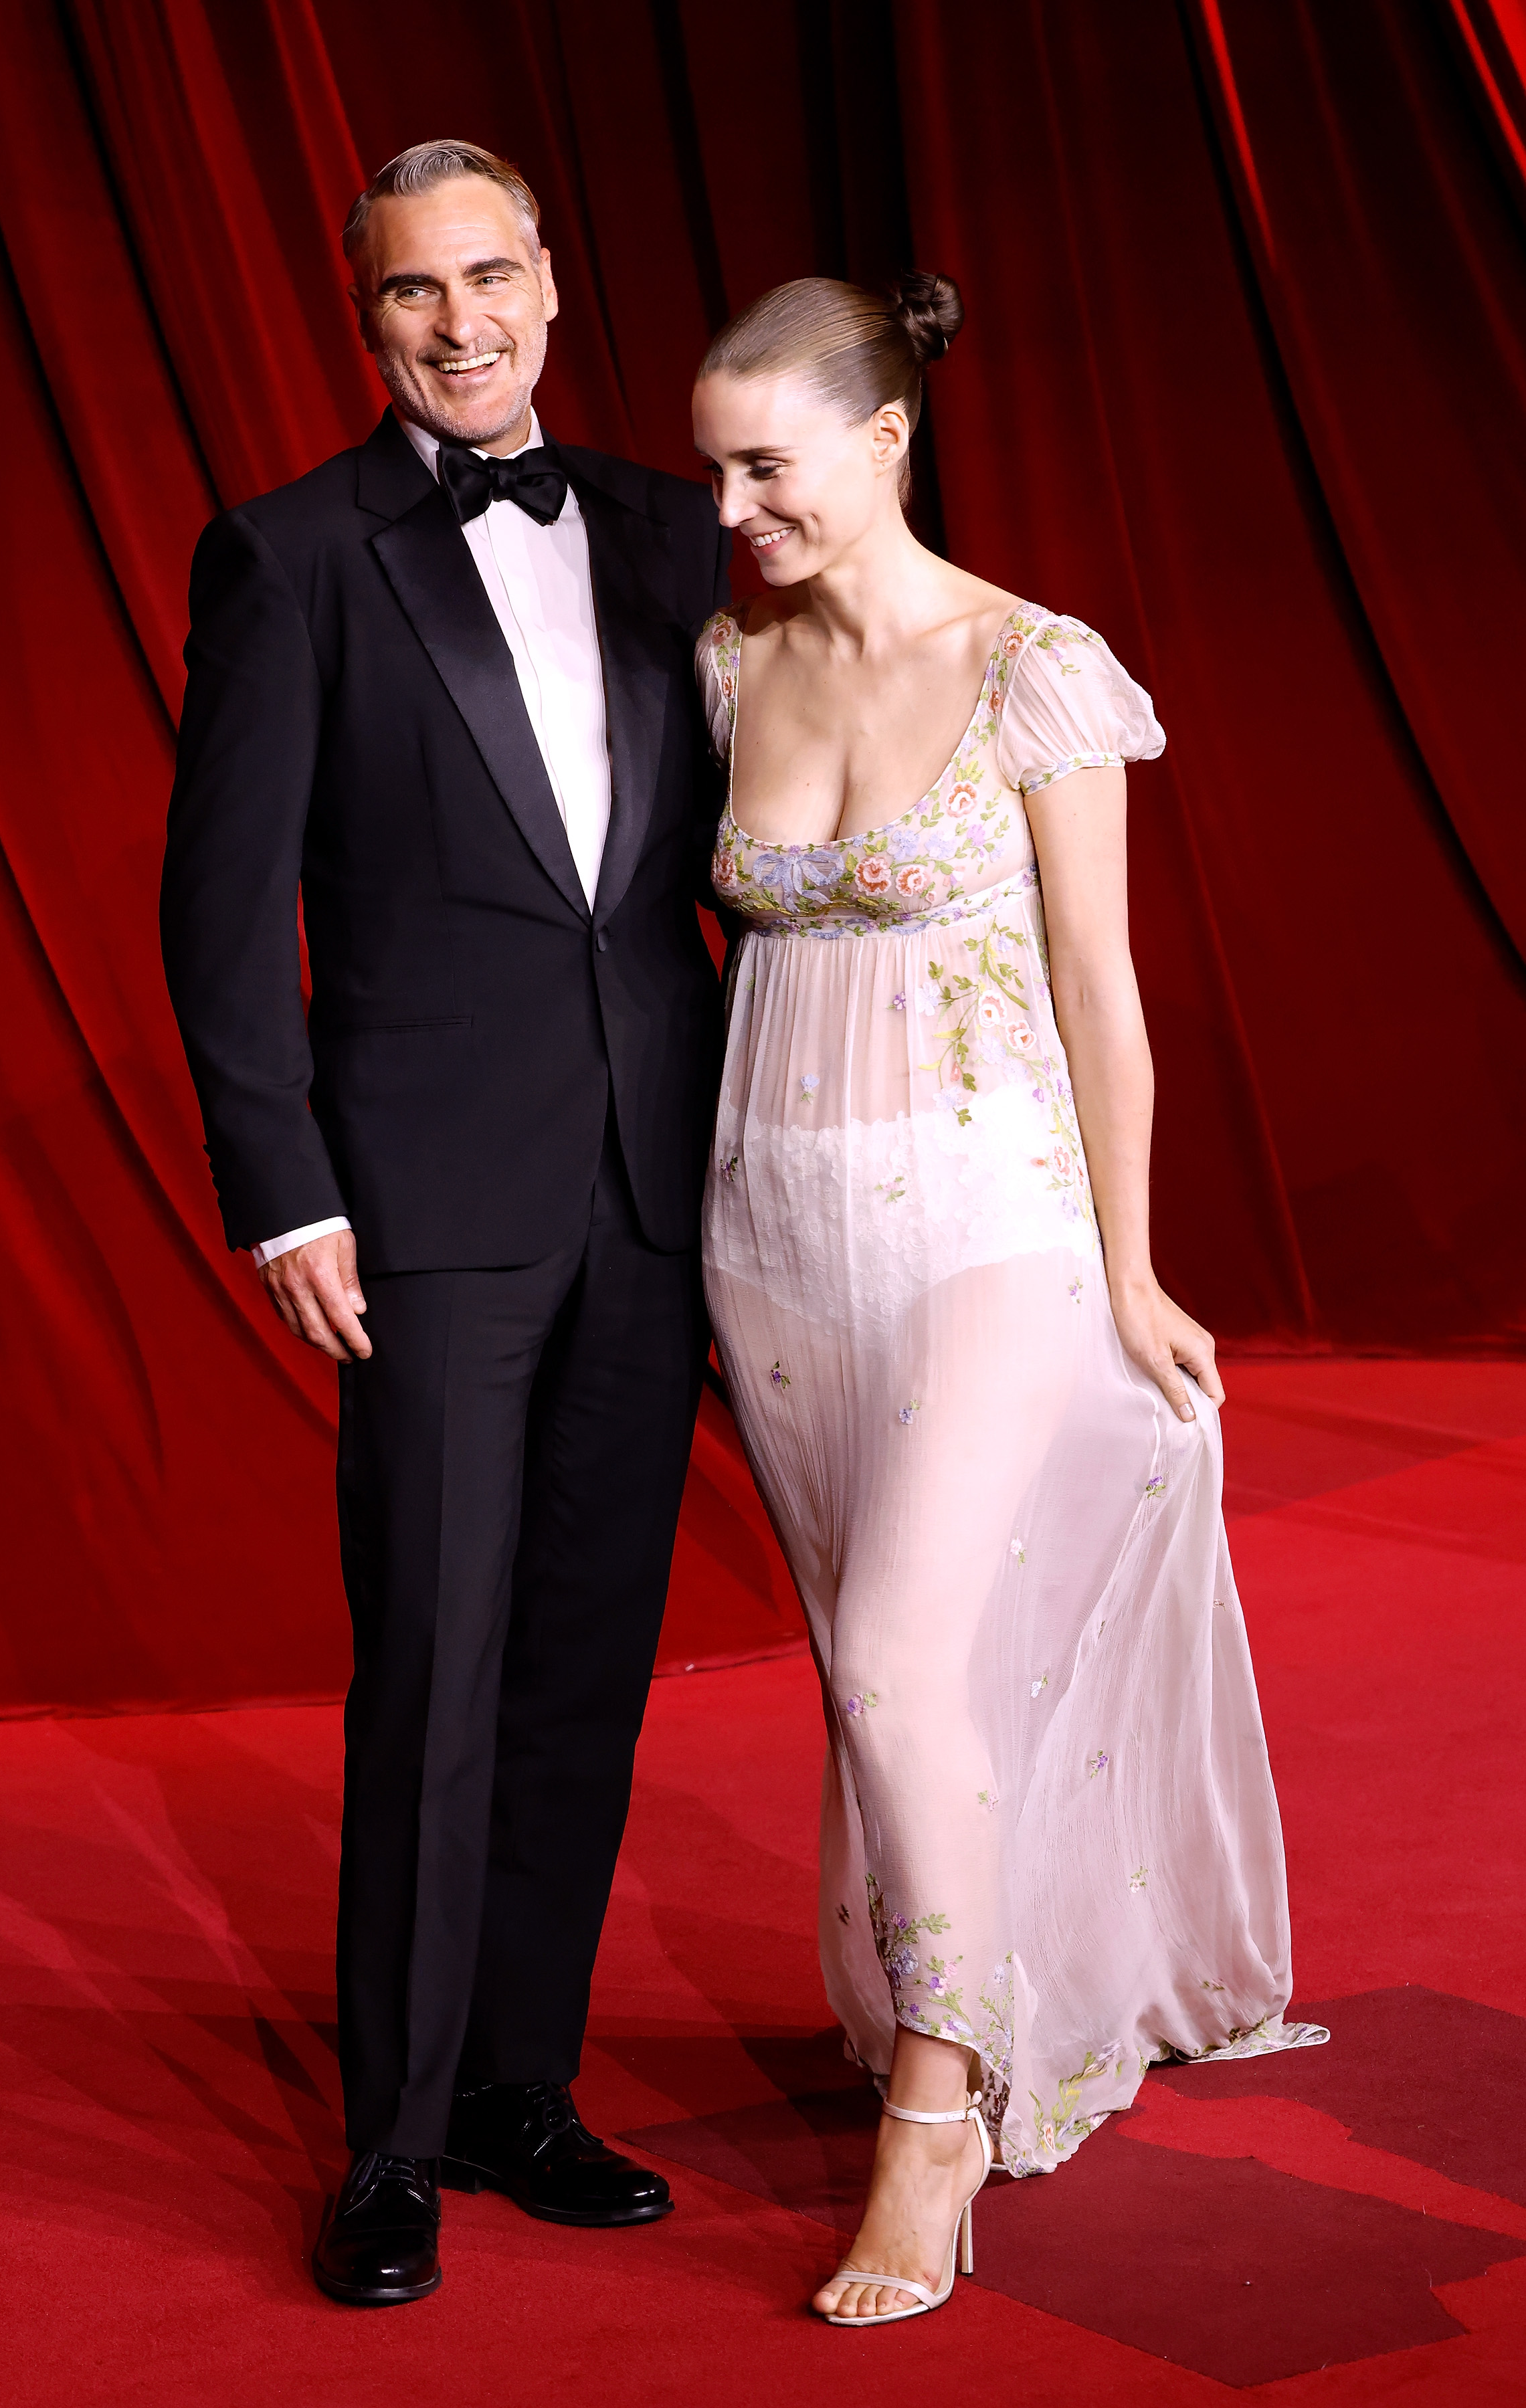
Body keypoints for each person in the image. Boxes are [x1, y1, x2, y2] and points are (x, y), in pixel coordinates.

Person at [691, 274, 1326, 2328]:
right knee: (877, 1674)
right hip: (768, 1241)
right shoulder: (730, 657)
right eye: (716, 466)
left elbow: (1103, 998)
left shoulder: (1037, 667)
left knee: (894, 1655)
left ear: (884, 442)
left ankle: (937, 2117)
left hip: (992, 1218)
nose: (734, 505)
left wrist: (1132, 1270)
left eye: (766, 464)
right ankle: (950, 1995)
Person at [161, 139, 731, 2306]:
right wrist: (284, 1180)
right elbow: (219, 917)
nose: (461, 323)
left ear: (557, 287)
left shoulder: (684, 536)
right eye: (417, 294)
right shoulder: (288, 557)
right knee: (437, 1661)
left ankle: (522, 2087)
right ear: (368, 316)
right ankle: (390, 2135)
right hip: (421, 1209)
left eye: (492, 278)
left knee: (589, 1659)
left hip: (655, 1193)